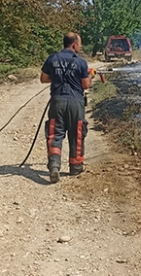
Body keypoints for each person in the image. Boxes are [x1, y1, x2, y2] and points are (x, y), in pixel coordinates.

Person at [40, 32, 93, 183]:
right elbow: (86, 85)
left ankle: (54, 166)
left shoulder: (53, 58)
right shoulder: (81, 62)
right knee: (76, 134)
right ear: (74, 44)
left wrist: (57, 77)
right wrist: (91, 75)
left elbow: (43, 79)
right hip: (76, 102)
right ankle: (75, 168)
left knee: (55, 134)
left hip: (57, 101)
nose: (81, 46)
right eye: (80, 43)